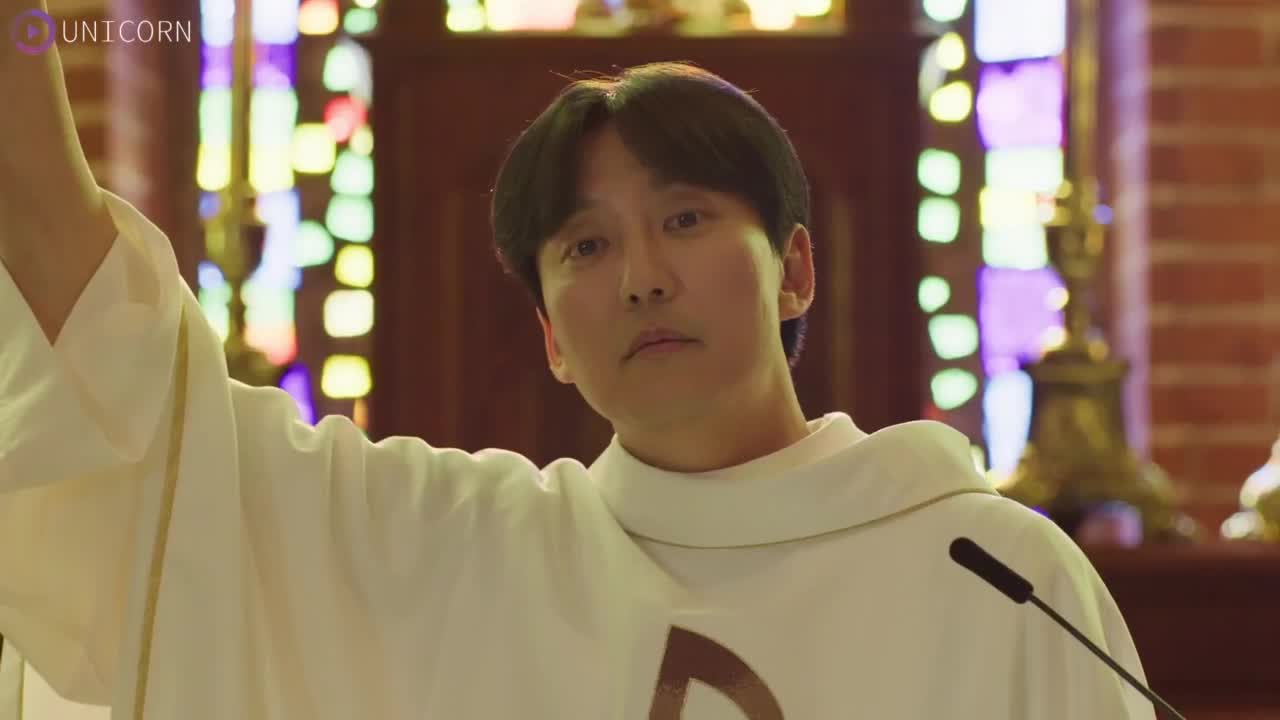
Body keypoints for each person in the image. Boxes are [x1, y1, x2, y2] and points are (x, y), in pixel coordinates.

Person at [0, 8, 1155, 718]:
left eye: (685, 220)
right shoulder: (457, 552)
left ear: (794, 269)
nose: (641, 277)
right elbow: (130, 402)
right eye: (585, 248)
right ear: (552, 339)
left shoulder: (994, 579)